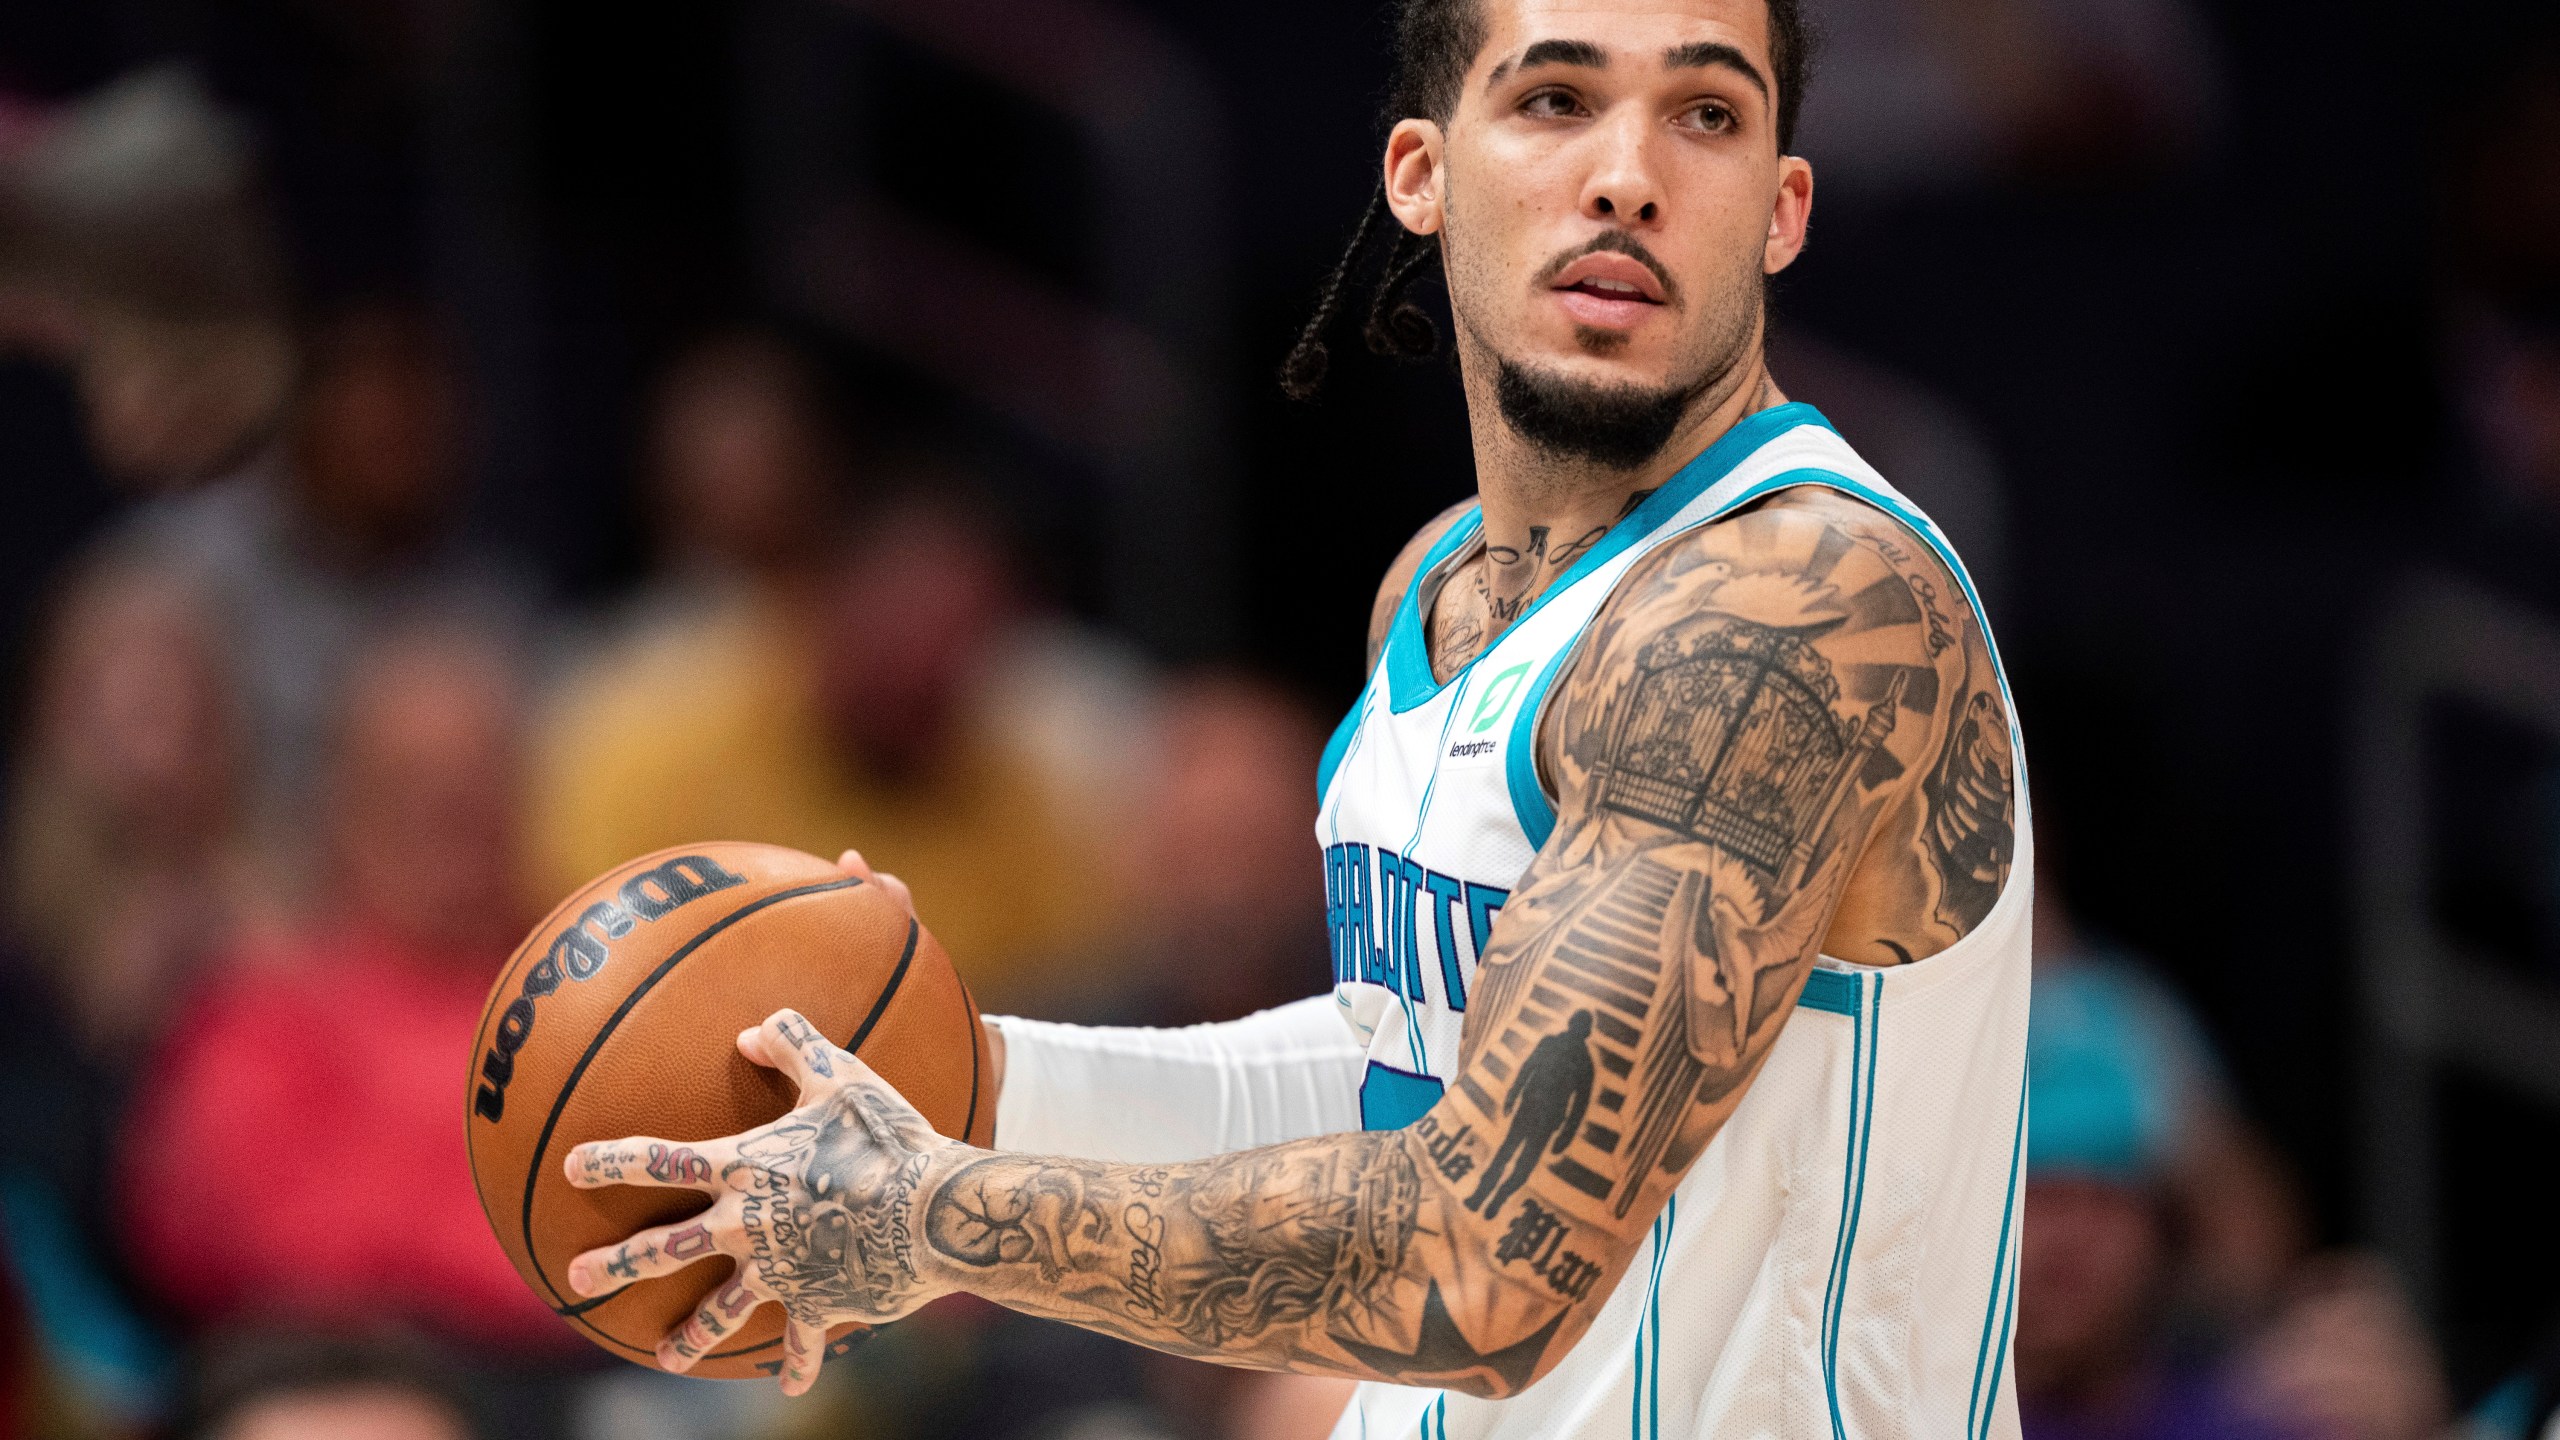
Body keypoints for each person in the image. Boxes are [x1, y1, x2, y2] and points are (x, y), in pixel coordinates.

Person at [536, 2, 2033, 1437]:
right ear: (1422, 174)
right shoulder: (1438, 589)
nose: (1629, 177)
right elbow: (1402, 1075)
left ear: (1782, 210)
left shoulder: (1800, 606)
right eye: (1557, 100)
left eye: (1705, 114)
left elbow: (1481, 1257)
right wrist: (968, 1081)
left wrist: (930, 1214)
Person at [117, 624, 565, 1349]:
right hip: (356, 1377)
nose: (450, 818)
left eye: (477, 783)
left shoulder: (614, 988)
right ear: (340, 806)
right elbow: (237, 1229)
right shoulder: (265, 1013)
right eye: (412, 786)